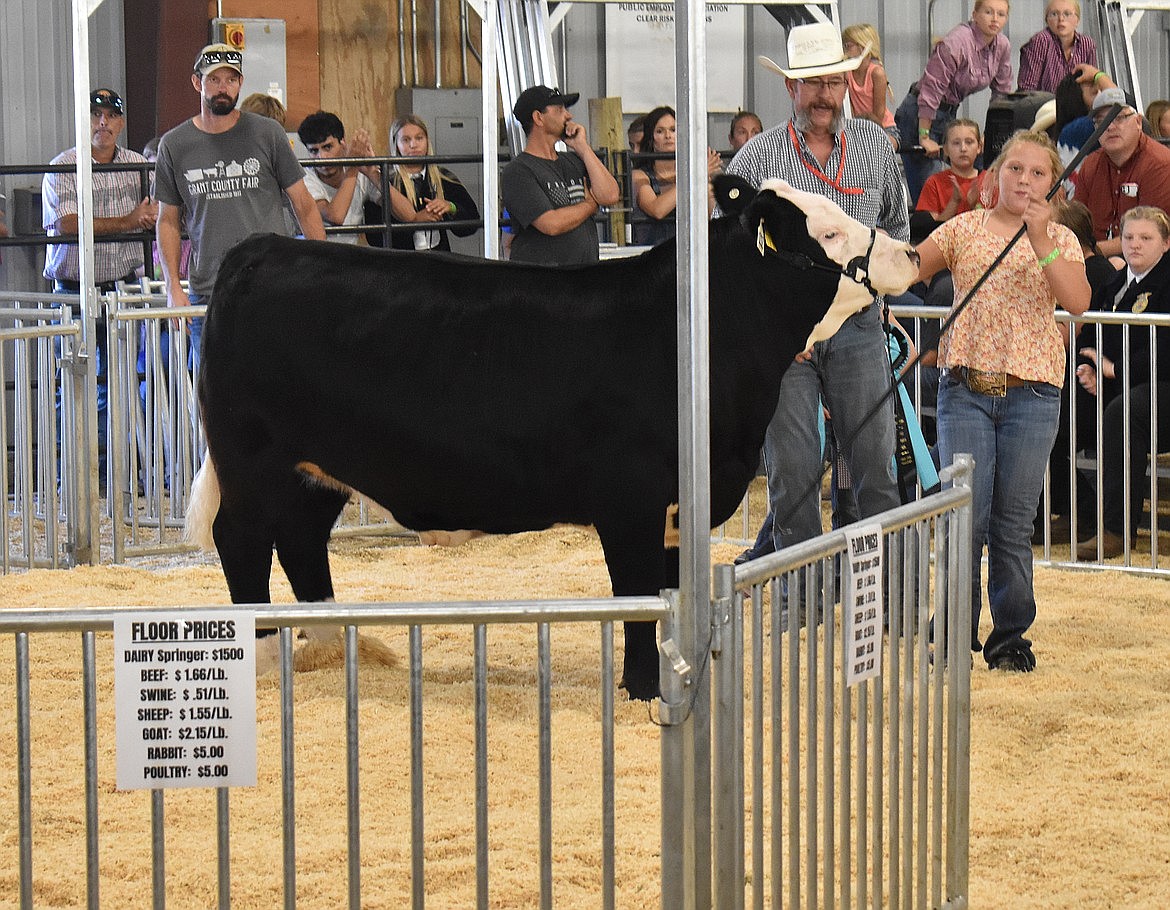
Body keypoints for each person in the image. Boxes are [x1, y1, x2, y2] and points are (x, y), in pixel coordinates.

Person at [730, 22, 908, 562]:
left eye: (833, 81)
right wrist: (769, 323)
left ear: (847, 85)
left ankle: (880, 595)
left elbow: (896, 231)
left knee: (875, 464)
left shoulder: (877, 147)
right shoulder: (756, 159)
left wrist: (884, 303)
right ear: (792, 90)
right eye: (812, 83)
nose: (824, 94)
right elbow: (733, 247)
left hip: (856, 324)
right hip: (787, 338)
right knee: (793, 469)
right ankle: (800, 597)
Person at [916, 129, 1090, 671]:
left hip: (1032, 393)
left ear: (1054, 185)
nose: (1025, 181)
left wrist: (1041, 239)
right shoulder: (962, 230)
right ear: (996, 174)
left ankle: (1010, 637)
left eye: (1039, 173)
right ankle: (951, 632)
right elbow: (906, 268)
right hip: (965, 389)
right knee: (963, 516)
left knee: (1013, 522)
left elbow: (1078, 301)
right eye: (1016, 169)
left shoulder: (1061, 238)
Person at [154, 43, 325, 373]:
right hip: (210, 288)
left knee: (278, 381)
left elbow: (303, 204)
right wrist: (173, 285)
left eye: (230, 80)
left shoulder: (268, 133)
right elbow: (168, 220)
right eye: (214, 79)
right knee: (213, 390)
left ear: (240, 83)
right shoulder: (174, 145)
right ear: (196, 83)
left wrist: (321, 267)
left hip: (271, 283)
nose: (222, 87)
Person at [42, 87, 158, 481]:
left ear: (121, 122)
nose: (103, 122)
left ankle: (107, 476)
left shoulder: (139, 165)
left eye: (110, 115)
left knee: (118, 383)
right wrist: (129, 220)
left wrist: (146, 217)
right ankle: (70, 478)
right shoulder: (63, 166)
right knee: (72, 383)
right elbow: (66, 225)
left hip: (123, 286)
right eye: (95, 115)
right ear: (84, 120)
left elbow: (157, 212)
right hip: (75, 288)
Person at [1075, 207, 1170, 560]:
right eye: (1128, 237)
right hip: (1116, 383)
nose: (1135, 245)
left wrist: (1114, 371)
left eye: (1146, 238)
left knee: (1123, 413)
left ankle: (1117, 531)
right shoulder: (1114, 282)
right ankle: (1065, 513)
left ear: (1165, 244)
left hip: (1160, 385)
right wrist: (1088, 367)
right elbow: (1090, 333)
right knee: (1057, 396)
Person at [1035, 199, 1120, 541]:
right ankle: (1070, 511)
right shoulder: (1090, 269)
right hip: (1075, 379)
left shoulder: (1093, 271)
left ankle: (1079, 511)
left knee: (1046, 433)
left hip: (1092, 385)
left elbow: (1069, 334)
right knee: (1045, 432)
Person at [896, 0, 1012, 204]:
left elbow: (1002, 92)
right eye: (988, 12)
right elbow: (931, 90)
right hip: (921, 113)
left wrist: (989, 133)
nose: (995, 19)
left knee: (983, 170)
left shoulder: (1002, 46)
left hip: (949, 113)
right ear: (974, 15)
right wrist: (924, 136)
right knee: (929, 194)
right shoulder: (957, 42)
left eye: (1001, 14)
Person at [500, 85, 620, 266]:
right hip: (546, 283)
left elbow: (610, 195)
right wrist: (590, 204)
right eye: (559, 109)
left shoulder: (573, 160)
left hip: (584, 274)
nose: (568, 115)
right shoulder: (518, 171)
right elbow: (551, 224)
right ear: (538, 118)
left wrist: (582, 147)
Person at [1072, 87, 1170, 258]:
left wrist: (1087, 253)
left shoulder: (1160, 163)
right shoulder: (1090, 164)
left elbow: (1148, 234)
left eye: (1119, 118)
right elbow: (1075, 223)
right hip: (1094, 261)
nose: (1110, 126)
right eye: (1101, 121)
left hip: (1145, 263)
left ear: (1138, 122)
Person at [387, 113, 481, 251]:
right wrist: (414, 222)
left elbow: (472, 223)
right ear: (396, 144)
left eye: (419, 138)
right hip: (401, 263)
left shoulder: (444, 177)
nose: (413, 145)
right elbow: (375, 237)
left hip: (439, 261)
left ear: (427, 141)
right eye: (406, 140)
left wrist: (451, 207)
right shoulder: (387, 182)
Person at [631, 105, 721, 246]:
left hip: (690, 248)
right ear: (650, 139)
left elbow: (713, 215)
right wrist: (696, 176)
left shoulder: (697, 173)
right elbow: (657, 210)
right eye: (660, 131)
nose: (668, 136)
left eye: (673, 130)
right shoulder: (639, 175)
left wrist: (705, 180)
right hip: (653, 252)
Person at [297, 110, 388, 245]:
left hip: (350, 256)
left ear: (342, 143)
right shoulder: (305, 177)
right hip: (317, 256)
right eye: (314, 151)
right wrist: (353, 165)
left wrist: (371, 173)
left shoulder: (359, 172)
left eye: (327, 147)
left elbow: (404, 213)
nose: (322, 157)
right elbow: (335, 216)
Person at [913, 118, 986, 239]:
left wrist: (974, 206)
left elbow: (997, 229)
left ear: (979, 147)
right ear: (945, 149)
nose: (963, 148)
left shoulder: (990, 180)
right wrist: (954, 202)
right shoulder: (935, 183)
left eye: (969, 142)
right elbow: (930, 234)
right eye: (956, 143)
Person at [1016, 0, 1097, 94]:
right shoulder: (1040, 41)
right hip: (1042, 106)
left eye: (1067, 14)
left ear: (1077, 20)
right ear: (1047, 20)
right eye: (1054, 14)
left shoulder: (1087, 44)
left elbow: (1091, 85)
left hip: (1077, 107)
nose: (1061, 19)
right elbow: (1027, 91)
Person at [841, 23, 898, 149]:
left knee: (878, 148)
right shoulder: (847, 73)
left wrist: (867, 133)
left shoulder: (876, 73)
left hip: (884, 127)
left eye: (848, 46)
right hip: (858, 126)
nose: (844, 50)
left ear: (863, 47)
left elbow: (879, 113)